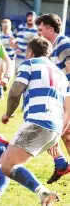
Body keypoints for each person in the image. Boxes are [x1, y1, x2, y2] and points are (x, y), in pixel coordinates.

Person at [0, 36, 70, 206]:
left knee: (7, 165)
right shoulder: (62, 75)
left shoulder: (29, 64)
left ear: (30, 52)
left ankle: (43, 193)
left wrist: (7, 114)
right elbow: (68, 109)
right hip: (54, 127)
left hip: (37, 122)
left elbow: (15, 92)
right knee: (6, 161)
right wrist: (58, 132)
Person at [35, 13, 70, 184]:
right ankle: (61, 164)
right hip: (60, 95)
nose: (38, 32)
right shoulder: (50, 46)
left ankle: (61, 163)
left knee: (55, 131)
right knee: (59, 132)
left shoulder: (63, 43)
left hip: (67, 96)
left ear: (50, 29)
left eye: (40, 29)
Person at [0, 19, 15, 98]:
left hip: (11, 58)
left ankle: (5, 84)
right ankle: (0, 91)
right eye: (4, 26)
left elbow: (16, 46)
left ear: (10, 26)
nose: (5, 28)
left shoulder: (13, 35)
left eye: (7, 26)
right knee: (0, 73)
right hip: (2, 58)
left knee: (9, 76)